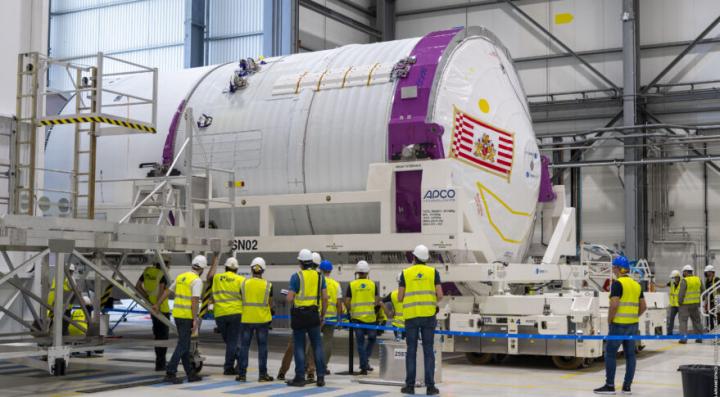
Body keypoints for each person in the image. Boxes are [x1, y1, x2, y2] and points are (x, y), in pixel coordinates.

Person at [594, 256, 647, 395]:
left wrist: (610, 320)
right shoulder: (636, 284)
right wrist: (634, 317)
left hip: (618, 325)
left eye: (613, 267)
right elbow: (644, 306)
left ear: (617, 268)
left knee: (610, 354)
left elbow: (614, 304)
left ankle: (610, 386)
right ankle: (627, 387)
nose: (612, 270)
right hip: (632, 325)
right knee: (630, 356)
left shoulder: (617, 284)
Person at [155, 255, 207, 384]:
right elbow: (194, 300)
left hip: (177, 314)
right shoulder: (196, 281)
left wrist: (158, 303)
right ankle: (170, 372)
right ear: (202, 269)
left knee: (185, 345)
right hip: (186, 316)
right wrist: (195, 319)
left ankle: (190, 374)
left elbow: (168, 291)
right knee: (183, 345)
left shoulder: (181, 277)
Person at [398, 245, 442, 396]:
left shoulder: (405, 273)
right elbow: (440, 295)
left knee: (411, 350)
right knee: (428, 350)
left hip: (411, 317)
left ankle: (409, 386)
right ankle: (430, 387)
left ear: (414, 257)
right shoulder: (433, 272)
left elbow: (400, 297)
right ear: (426, 258)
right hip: (429, 316)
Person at [286, 249, 327, 387]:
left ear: (300, 263)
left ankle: (299, 378)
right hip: (314, 314)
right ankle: (320, 377)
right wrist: (322, 315)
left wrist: (291, 294)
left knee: (299, 346)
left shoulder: (296, 276)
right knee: (317, 346)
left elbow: (290, 298)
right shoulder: (320, 277)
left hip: (299, 315)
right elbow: (325, 297)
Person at [345, 260, 386, 375]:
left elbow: (347, 301)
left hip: (357, 318)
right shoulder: (373, 284)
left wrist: (350, 311)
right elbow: (377, 299)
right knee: (372, 339)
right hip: (371, 318)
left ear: (357, 272)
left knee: (360, 342)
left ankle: (364, 364)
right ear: (368, 272)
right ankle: (365, 363)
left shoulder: (352, 285)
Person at [237, 257, 274, 382]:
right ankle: (262, 375)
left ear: (251, 269)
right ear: (262, 270)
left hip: (246, 319)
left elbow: (242, 299)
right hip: (262, 321)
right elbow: (270, 304)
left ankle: (242, 375)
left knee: (244, 347)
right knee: (262, 347)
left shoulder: (243, 283)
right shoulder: (268, 285)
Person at [212, 257, 245, 375]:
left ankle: (231, 366)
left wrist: (215, 260)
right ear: (236, 269)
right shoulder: (241, 280)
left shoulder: (217, 278)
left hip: (220, 314)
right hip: (236, 313)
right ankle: (238, 364)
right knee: (233, 342)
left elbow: (209, 278)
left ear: (225, 267)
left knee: (229, 341)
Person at [136, 258, 171, 371]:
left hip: (152, 307)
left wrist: (146, 297)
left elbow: (137, 286)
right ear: (165, 266)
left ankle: (159, 363)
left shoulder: (147, 272)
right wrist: (158, 304)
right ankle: (161, 364)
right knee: (163, 337)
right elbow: (161, 291)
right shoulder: (162, 274)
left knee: (157, 336)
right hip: (162, 309)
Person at [312, 260, 342, 377]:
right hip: (331, 318)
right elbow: (339, 303)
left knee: (313, 340)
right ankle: (323, 366)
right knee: (327, 342)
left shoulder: (317, 282)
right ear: (330, 271)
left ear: (320, 270)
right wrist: (339, 318)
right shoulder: (336, 284)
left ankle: (308, 365)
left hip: (317, 316)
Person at [677, 264, 705, 344]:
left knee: (683, 321)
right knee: (697, 321)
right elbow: (703, 291)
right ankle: (699, 338)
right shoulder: (698, 279)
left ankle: (683, 339)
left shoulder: (685, 280)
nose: (683, 273)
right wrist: (700, 300)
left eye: (683, 272)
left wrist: (680, 302)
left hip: (685, 305)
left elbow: (681, 293)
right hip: (695, 304)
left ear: (686, 272)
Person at [48, 263, 76, 336]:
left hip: (52, 304)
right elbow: (76, 290)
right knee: (65, 323)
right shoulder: (69, 278)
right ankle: (61, 338)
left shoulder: (56, 277)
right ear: (71, 271)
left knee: (51, 323)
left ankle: (49, 335)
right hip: (63, 306)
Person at [383, 274, 405, 340]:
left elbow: (381, 302)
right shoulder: (410, 293)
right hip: (409, 324)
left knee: (399, 346)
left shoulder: (393, 294)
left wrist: (388, 313)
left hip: (396, 324)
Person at [704, 265, 719, 329]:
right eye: (706, 272)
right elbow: (707, 292)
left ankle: (718, 328)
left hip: (717, 300)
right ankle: (711, 329)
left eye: (708, 272)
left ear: (712, 272)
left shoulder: (717, 279)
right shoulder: (707, 281)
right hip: (710, 301)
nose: (707, 273)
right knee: (710, 315)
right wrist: (706, 302)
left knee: (718, 314)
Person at [667, 270, 681, 335]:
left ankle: (682, 333)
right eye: (673, 278)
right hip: (673, 306)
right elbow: (663, 285)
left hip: (680, 305)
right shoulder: (672, 283)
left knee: (681, 320)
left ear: (678, 277)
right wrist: (654, 284)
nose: (674, 279)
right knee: (671, 319)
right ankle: (669, 333)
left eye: (675, 278)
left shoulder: (682, 283)